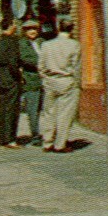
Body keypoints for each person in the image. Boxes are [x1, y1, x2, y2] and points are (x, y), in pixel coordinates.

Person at [38, 15, 82, 152]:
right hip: (67, 81)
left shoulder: (46, 45)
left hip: (50, 81)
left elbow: (41, 66)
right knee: (65, 114)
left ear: (58, 28)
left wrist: (46, 78)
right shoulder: (75, 45)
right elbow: (77, 67)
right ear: (72, 29)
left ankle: (47, 141)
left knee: (48, 112)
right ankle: (60, 144)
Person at [0, 18, 25, 148]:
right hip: (11, 78)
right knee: (12, 109)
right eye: (14, 24)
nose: (15, 26)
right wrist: (19, 76)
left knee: (2, 109)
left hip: (0, 78)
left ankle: (2, 137)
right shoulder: (12, 42)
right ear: (10, 26)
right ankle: (10, 139)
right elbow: (13, 62)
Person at [18, 18, 45, 145]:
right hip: (31, 80)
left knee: (46, 110)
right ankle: (35, 135)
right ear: (24, 31)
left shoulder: (42, 42)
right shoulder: (22, 43)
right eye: (29, 29)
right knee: (33, 110)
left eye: (34, 29)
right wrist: (42, 63)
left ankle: (49, 135)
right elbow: (25, 59)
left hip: (45, 80)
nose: (32, 31)